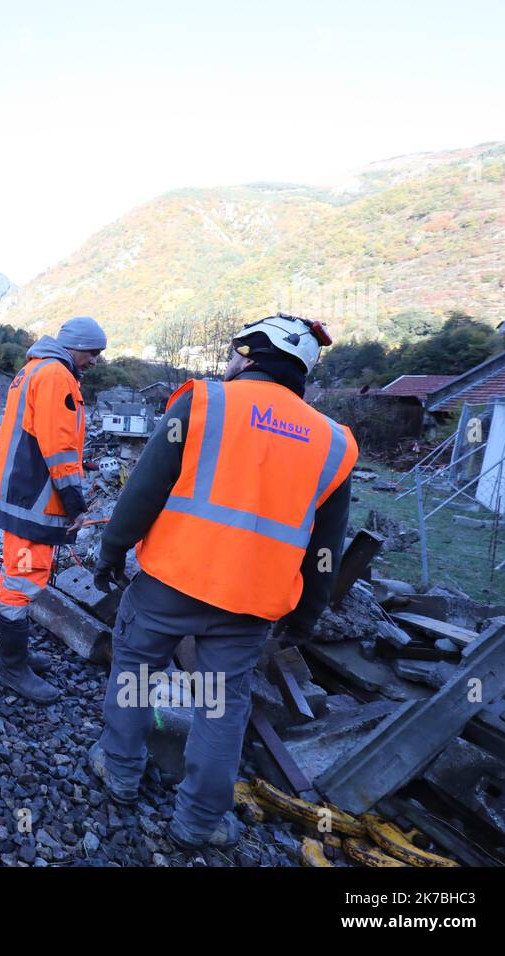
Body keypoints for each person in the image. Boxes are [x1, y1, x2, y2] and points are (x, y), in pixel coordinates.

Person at [89, 313, 356, 851]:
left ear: (254, 356)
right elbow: (325, 548)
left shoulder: (206, 403)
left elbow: (145, 488)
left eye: (238, 351)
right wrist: (309, 613)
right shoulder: (333, 443)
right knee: (219, 705)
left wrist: (112, 549)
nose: (231, 360)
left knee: (137, 671)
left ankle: (120, 772)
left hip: (171, 581)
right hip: (248, 605)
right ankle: (199, 821)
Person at [0, 316, 105, 702]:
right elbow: (59, 447)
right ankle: (11, 668)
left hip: (19, 493)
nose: (95, 361)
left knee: (19, 578)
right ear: (74, 347)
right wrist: (76, 504)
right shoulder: (57, 375)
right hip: (32, 501)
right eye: (93, 352)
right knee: (21, 581)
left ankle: (15, 656)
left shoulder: (33, 369)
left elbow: (39, 436)